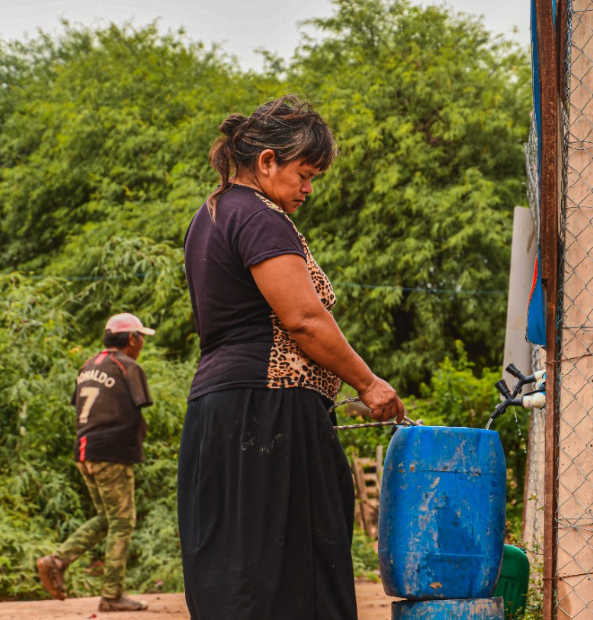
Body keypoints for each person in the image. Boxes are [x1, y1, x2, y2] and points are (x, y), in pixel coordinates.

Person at [179, 94, 404, 620]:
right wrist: (368, 384)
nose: (307, 189)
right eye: (304, 174)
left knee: (240, 571)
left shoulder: (208, 216)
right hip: (268, 412)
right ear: (266, 162)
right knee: (291, 576)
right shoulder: (261, 217)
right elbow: (303, 319)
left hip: (220, 411)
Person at [37, 313, 154, 612]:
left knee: (106, 518)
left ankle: (57, 560)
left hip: (85, 452)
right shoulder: (128, 366)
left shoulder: (88, 365)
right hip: (111, 454)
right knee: (123, 523)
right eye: (141, 337)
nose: (141, 344)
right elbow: (139, 409)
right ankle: (112, 595)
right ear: (131, 338)